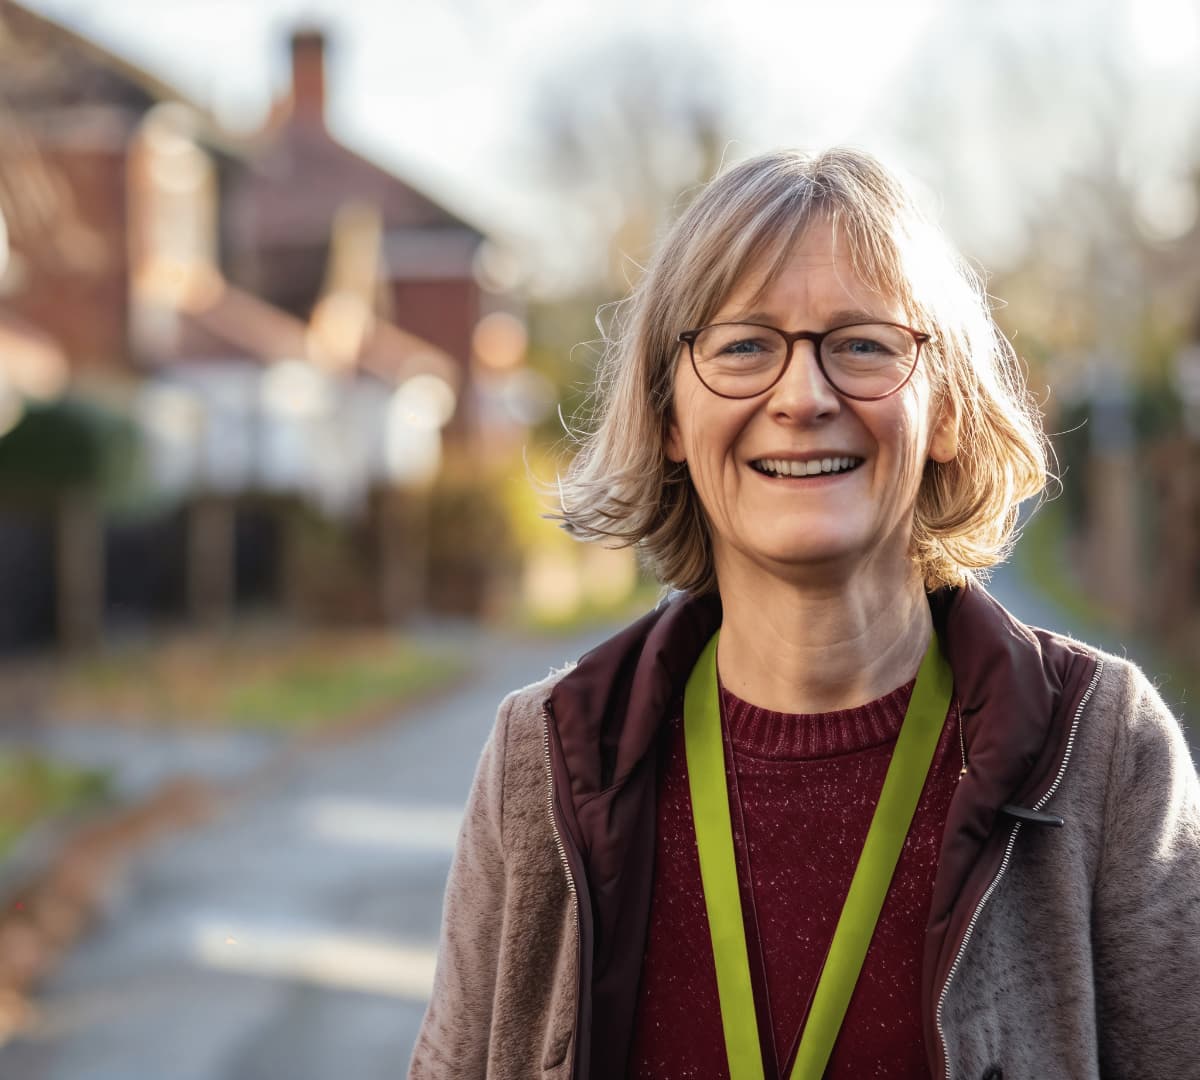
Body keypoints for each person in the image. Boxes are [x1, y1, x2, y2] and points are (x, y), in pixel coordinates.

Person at [408, 148, 1200, 1080]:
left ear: (944, 407)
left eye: (862, 344)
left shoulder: (1102, 749)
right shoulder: (540, 761)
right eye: (743, 345)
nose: (802, 397)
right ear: (669, 416)